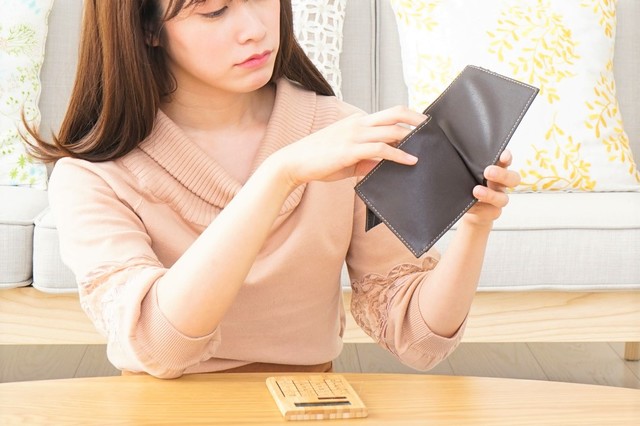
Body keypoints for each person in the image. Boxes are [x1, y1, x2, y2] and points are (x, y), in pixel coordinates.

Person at [27, 0, 520, 379]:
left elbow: (416, 340)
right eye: (215, 11)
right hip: (159, 410)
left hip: (307, 404)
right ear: (148, 28)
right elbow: (159, 347)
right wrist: (278, 175)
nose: (255, 29)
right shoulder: (93, 174)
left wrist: (476, 225)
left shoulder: (342, 134)